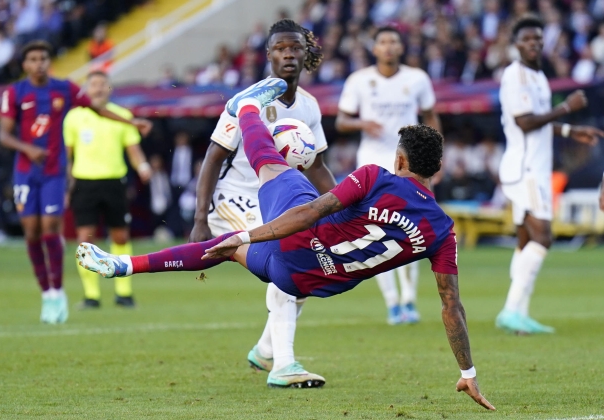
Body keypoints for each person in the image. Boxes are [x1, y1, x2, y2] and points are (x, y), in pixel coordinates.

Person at [77, 79, 495, 411]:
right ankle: (125, 266)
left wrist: (249, 232)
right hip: (299, 279)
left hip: (298, 240)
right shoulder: (442, 229)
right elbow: (450, 305)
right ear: (436, 170)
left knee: (276, 171)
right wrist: (468, 370)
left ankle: (247, 110)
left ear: (400, 161)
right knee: (227, 247)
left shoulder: (375, 177)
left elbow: (313, 212)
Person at [188, 19, 336, 388]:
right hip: (234, 199)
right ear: (269, 55)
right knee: (287, 260)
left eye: (295, 47)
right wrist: (200, 217)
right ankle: (283, 364)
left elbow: (316, 164)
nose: (288, 53)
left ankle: (267, 349)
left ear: (306, 53)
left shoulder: (308, 106)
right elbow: (213, 156)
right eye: (280, 48)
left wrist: (341, 204)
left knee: (304, 267)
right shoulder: (248, 101)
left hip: (276, 202)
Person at [0, 40, 151, 324]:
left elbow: (99, 110)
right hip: (28, 172)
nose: (39, 63)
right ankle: (48, 292)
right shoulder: (15, 92)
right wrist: (29, 149)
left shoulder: (64, 88)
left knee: (52, 228)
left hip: (57, 172)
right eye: (33, 59)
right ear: (25, 65)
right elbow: (4, 136)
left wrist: (132, 124)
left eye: (43, 58)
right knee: (32, 231)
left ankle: (58, 291)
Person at [495, 15, 603, 334]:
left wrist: (570, 129)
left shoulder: (539, 76)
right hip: (526, 168)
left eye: (538, 38)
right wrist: (567, 108)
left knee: (526, 238)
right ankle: (511, 310)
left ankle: (520, 314)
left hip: (535, 167)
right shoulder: (515, 75)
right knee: (543, 236)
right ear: (516, 44)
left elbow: (541, 122)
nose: (534, 43)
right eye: (527, 39)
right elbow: (525, 122)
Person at [336, 26, 441, 325]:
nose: (389, 46)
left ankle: (409, 300)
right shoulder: (359, 80)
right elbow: (342, 120)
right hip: (372, 166)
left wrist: (435, 156)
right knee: (376, 233)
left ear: (401, 47)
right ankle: (392, 303)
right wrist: (362, 124)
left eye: (393, 41)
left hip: (409, 165)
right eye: (383, 41)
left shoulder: (417, 79)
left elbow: (431, 115)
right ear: (375, 48)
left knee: (413, 231)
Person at [64, 70, 152, 309]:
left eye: (103, 84)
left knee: (120, 236)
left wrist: (143, 166)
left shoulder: (122, 115)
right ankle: (91, 295)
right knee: (85, 239)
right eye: (94, 84)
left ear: (109, 89)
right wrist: (66, 186)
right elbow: (68, 156)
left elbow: (133, 148)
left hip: (115, 182)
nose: (99, 88)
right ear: (86, 89)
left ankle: (124, 292)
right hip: (85, 183)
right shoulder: (74, 117)